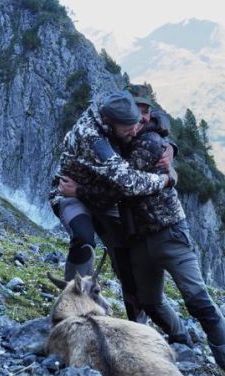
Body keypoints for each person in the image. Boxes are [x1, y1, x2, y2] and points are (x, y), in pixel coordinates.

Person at [59, 86, 225, 376]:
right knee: (146, 300)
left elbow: (124, 185)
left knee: (197, 299)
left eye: (143, 115)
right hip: (137, 238)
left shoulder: (147, 143)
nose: (139, 122)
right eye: (134, 118)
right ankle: (179, 342)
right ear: (115, 121)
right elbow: (119, 179)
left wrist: (168, 164)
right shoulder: (110, 140)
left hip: (168, 232)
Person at [49, 90, 177, 283]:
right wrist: (166, 180)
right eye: (128, 130)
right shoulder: (92, 138)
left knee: (126, 255)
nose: (135, 133)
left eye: (137, 125)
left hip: (106, 198)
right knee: (84, 241)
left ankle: (138, 307)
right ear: (111, 121)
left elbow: (153, 118)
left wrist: (169, 146)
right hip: (72, 193)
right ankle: (73, 297)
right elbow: (129, 183)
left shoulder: (116, 108)